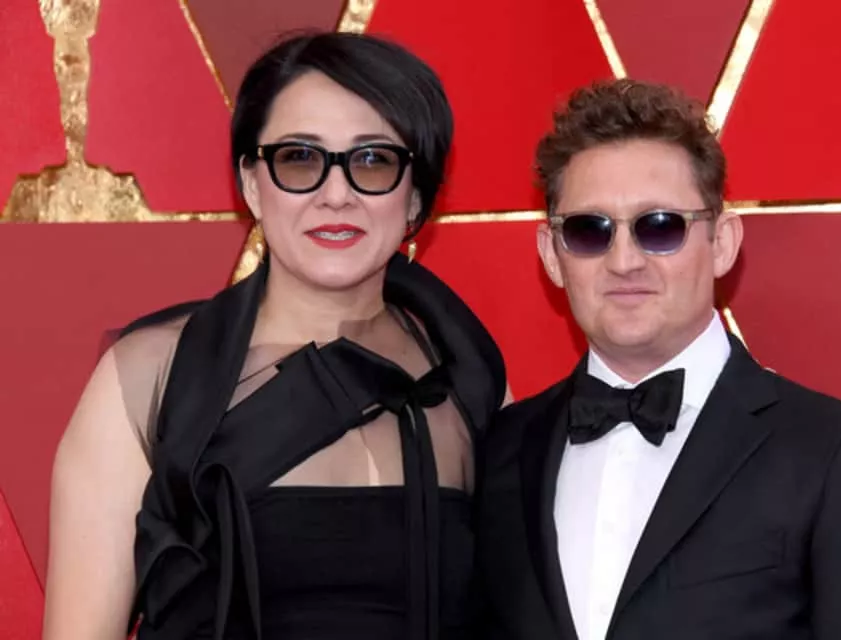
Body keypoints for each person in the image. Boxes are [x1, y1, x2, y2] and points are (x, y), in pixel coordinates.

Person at [43, 32, 507, 640]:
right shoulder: (150, 381)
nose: (336, 195)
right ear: (252, 183)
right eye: (299, 159)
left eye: (373, 161)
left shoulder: (470, 385)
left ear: (415, 195)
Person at [476, 79, 841, 640]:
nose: (624, 261)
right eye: (589, 231)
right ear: (552, 255)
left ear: (722, 242)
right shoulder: (500, 452)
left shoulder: (837, 454)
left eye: (660, 227)